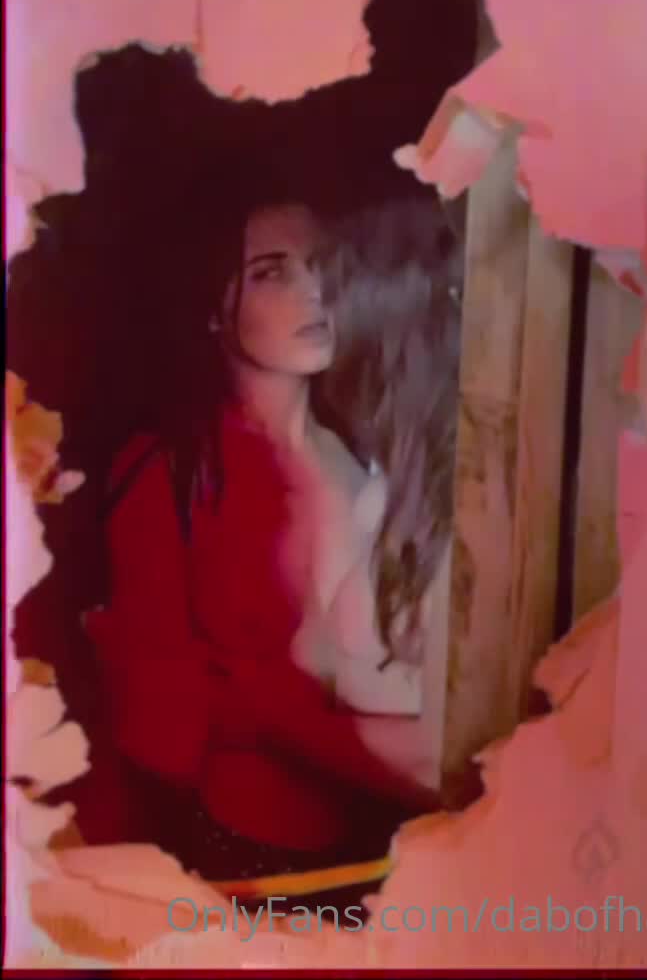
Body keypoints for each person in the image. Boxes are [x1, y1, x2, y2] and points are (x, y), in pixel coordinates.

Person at [86, 199, 442, 892]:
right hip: (237, 858)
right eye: (271, 273)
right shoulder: (171, 470)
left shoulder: (367, 457)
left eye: (324, 266)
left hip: (376, 850)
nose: (315, 292)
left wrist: (270, 710)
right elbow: (154, 721)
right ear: (213, 308)